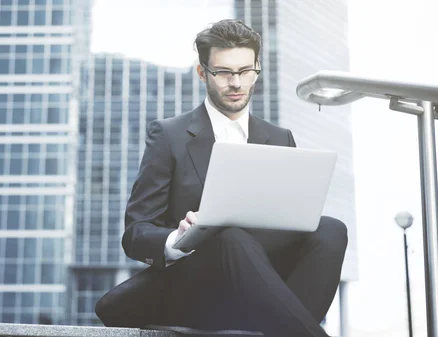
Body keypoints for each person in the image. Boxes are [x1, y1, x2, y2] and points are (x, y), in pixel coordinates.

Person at [121, 19, 348, 337]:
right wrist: (179, 239)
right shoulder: (169, 135)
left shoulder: (279, 138)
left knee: (331, 228)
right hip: (197, 286)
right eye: (224, 72)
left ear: (257, 68)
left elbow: (290, 227)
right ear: (203, 73)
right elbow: (135, 234)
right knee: (229, 236)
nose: (236, 83)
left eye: (246, 71)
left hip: (266, 287)